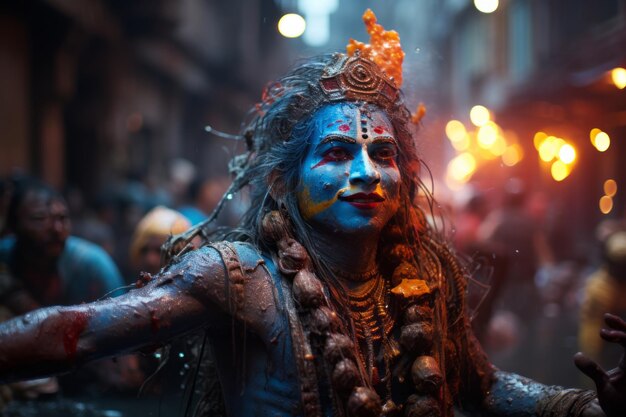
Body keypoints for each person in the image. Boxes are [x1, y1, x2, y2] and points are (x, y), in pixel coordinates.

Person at [0, 10, 624, 417]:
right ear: (284, 179)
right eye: (334, 152)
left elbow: (481, 387)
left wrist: (585, 408)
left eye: (381, 153)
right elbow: (81, 331)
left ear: (404, 177)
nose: (363, 171)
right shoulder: (241, 277)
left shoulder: (426, 275)